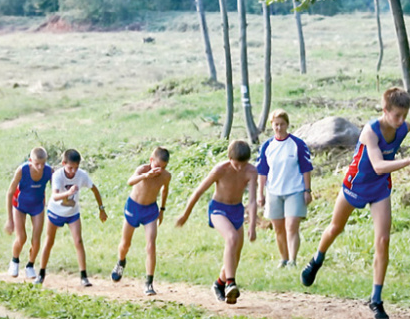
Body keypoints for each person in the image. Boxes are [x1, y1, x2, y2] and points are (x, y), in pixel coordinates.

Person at [300, 87, 410, 319]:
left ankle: (376, 299)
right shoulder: (369, 132)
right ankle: (317, 259)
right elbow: (379, 164)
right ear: (384, 111)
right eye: (397, 116)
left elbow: (383, 171)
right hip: (356, 184)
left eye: (405, 115)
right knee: (335, 228)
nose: (401, 121)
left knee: (383, 240)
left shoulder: (404, 128)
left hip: (380, 188)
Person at [175, 140, 258, 304]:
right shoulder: (221, 169)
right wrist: (185, 214)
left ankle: (219, 283)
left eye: (243, 164)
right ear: (230, 158)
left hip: (236, 210)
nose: (240, 168)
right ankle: (230, 283)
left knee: (236, 254)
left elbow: (252, 200)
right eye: (237, 164)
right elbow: (199, 191)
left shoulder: (251, 171)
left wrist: (253, 225)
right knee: (231, 238)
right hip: (218, 209)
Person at [35, 149, 107, 286]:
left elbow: (94, 189)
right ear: (63, 163)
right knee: (49, 241)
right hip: (55, 212)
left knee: (78, 241)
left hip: (72, 213)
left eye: (76, 167)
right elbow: (55, 196)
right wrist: (68, 192)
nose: (73, 171)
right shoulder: (57, 175)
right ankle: (41, 274)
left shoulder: (82, 175)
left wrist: (101, 208)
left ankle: (84, 276)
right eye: (70, 167)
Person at [110, 147, 172, 295]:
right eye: (157, 166)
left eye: (163, 167)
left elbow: (165, 190)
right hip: (134, 207)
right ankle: (121, 261)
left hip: (150, 210)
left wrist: (162, 210)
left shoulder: (165, 176)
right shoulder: (142, 169)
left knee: (151, 246)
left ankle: (149, 282)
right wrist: (146, 175)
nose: (159, 170)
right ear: (151, 161)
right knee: (125, 243)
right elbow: (130, 182)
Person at [256, 110, 313, 268]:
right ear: (272, 126)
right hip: (274, 191)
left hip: (294, 190)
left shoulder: (297, 144)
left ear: (287, 125)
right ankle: (284, 258)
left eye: (282, 124)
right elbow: (262, 171)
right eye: (276, 125)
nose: (279, 128)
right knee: (278, 228)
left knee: (291, 226)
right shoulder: (267, 146)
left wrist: (307, 191)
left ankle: (293, 260)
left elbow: (306, 169)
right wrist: (260, 193)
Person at [4, 147, 52, 280]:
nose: (40, 167)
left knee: (36, 240)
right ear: (30, 161)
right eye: (37, 164)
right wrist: (9, 219)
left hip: (37, 206)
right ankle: (14, 261)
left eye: (43, 164)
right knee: (22, 237)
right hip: (19, 206)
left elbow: (56, 191)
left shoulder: (49, 171)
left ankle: (30, 265)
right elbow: (9, 193)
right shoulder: (22, 170)